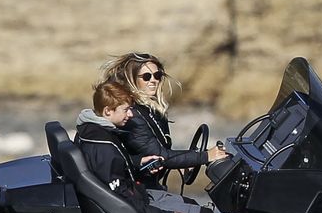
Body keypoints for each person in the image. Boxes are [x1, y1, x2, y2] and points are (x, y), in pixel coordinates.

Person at [75, 82, 268, 213]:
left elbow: (111, 172)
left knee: (190, 203)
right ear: (108, 111)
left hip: (137, 195)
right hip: (134, 209)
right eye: (126, 110)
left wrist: (137, 163)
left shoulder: (89, 132)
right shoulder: (104, 148)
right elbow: (122, 200)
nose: (130, 115)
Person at [98, 52, 230, 191]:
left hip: (150, 185)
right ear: (132, 80)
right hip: (139, 190)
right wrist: (206, 156)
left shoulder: (150, 110)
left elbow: (160, 152)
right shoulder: (133, 116)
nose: (153, 80)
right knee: (196, 207)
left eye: (157, 75)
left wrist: (187, 161)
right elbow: (160, 155)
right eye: (146, 77)